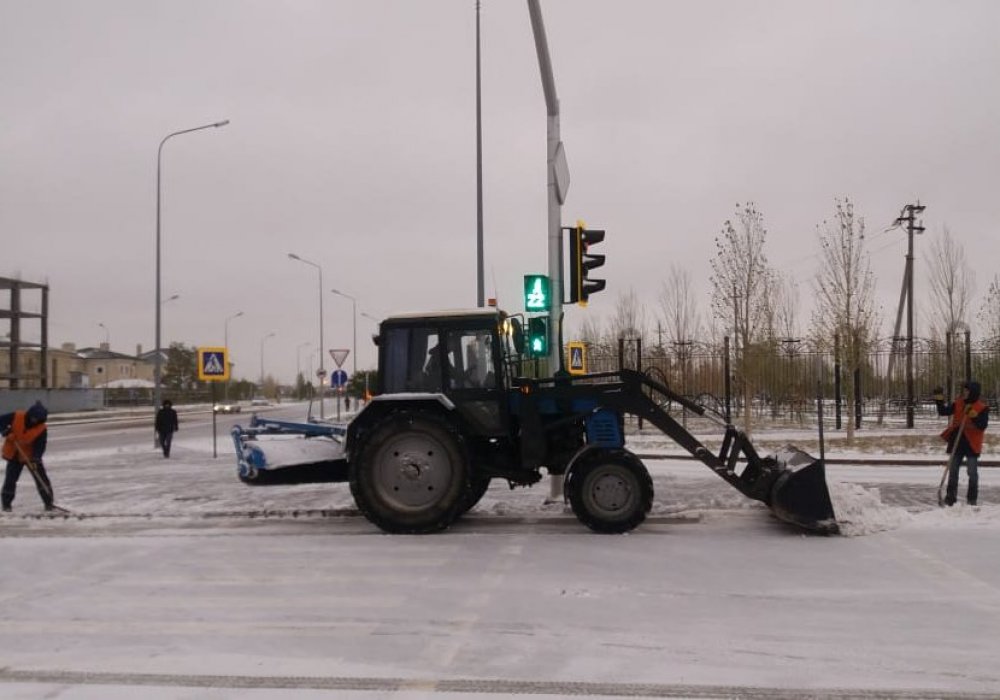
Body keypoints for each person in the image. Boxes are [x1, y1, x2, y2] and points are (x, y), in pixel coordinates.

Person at [934, 381, 989, 506]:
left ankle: (972, 499)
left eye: (967, 391)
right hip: (957, 442)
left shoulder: (982, 407)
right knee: (953, 471)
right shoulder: (958, 403)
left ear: (973, 392)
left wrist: (972, 414)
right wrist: (939, 398)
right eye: (964, 390)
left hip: (971, 443)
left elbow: (982, 425)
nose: (964, 393)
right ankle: (950, 498)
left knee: (972, 472)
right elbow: (943, 411)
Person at [1, 400, 54, 512]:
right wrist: (5, 430)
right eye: (33, 418)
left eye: (37, 420)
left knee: (41, 479)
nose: (34, 421)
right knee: (10, 480)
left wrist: (36, 457)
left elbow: (41, 445)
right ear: (29, 414)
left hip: (31, 456)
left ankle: (49, 503)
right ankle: (6, 505)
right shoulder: (17, 416)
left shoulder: (41, 428)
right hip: (14, 454)